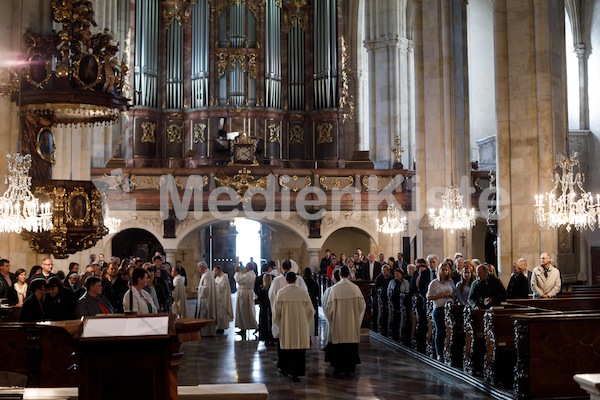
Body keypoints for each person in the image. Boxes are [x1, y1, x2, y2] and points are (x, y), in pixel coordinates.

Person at [323, 265, 366, 376]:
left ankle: (339, 368)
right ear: (349, 274)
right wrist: (357, 319)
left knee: (339, 346)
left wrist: (331, 319)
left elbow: (329, 308)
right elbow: (362, 306)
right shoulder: (355, 288)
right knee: (350, 346)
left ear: (340, 274)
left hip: (339, 324)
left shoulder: (335, 289)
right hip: (352, 324)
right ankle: (349, 369)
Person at [272, 272, 314, 383]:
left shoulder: (281, 293)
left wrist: (280, 322)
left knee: (286, 348)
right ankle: (297, 373)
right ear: (296, 279)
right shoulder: (303, 292)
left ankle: (285, 370)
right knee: (299, 350)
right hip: (300, 326)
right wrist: (305, 320)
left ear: (286, 280)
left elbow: (276, 312)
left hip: (287, 326)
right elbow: (310, 310)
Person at [268, 259, 308, 338]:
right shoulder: (299, 279)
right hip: (298, 309)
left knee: (284, 329)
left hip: (283, 310)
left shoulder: (277, 280)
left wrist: (275, 308)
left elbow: (272, 295)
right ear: (291, 267)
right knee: (296, 330)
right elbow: (305, 293)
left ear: (282, 268)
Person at [426, 262, 455, 361]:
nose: (445, 272)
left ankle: (449, 351)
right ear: (439, 271)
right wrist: (441, 295)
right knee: (440, 330)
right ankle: (439, 353)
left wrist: (450, 296)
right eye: (443, 270)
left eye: (446, 270)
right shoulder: (434, 283)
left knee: (450, 330)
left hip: (449, 308)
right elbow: (429, 297)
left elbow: (454, 294)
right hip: (439, 308)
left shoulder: (450, 282)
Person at [234, 262, 258, 340]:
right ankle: (243, 327)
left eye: (246, 267)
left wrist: (237, 272)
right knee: (243, 312)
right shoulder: (250, 274)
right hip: (245, 293)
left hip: (245, 294)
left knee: (245, 311)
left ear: (248, 267)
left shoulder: (249, 275)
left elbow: (239, 280)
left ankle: (252, 326)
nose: (245, 268)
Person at [195, 261, 217, 336]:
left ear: (203, 267)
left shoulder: (207, 275)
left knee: (205, 315)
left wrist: (198, 288)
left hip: (206, 299)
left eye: (199, 268)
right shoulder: (207, 273)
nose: (198, 269)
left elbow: (206, 289)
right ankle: (206, 332)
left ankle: (206, 332)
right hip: (206, 298)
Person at [387, 267, 409, 341]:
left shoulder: (405, 282)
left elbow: (407, 291)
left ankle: (401, 332)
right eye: (395, 274)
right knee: (394, 319)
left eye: (398, 274)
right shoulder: (391, 282)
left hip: (402, 302)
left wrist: (403, 295)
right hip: (394, 302)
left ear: (401, 274)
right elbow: (388, 291)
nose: (396, 275)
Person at [255, 266, 274, 345]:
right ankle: (272, 337)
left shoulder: (261, 288)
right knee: (271, 322)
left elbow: (259, 298)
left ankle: (264, 336)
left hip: (263, 307)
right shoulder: (272, 289)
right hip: (271, 307)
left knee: (264, 322)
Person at [214, 265, 233, 333]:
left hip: (222, 298)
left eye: (215, 271)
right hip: (218, 298)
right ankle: (218, 327)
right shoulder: (217, 278)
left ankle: (222, 327)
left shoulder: (224, 277)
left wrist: (215, 285)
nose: (214, 272)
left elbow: (222, 287)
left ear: (219, 270)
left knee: (222, 313)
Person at [374, 264, 393, 335]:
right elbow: (375, 288)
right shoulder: (378, 278)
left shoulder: (391, 279)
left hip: (388, 299)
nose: (383, 272)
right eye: (382, 270)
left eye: (385, 271)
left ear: (388, 271)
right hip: (380, 298)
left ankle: (387, 329)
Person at [302, 267, 320, 336]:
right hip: (313, 301)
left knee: (305, 319)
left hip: (305, 302)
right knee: (312, 319)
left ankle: (305, 334)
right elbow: (317, 294)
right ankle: (313, 332)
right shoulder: (315, 282)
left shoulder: (302, 282)